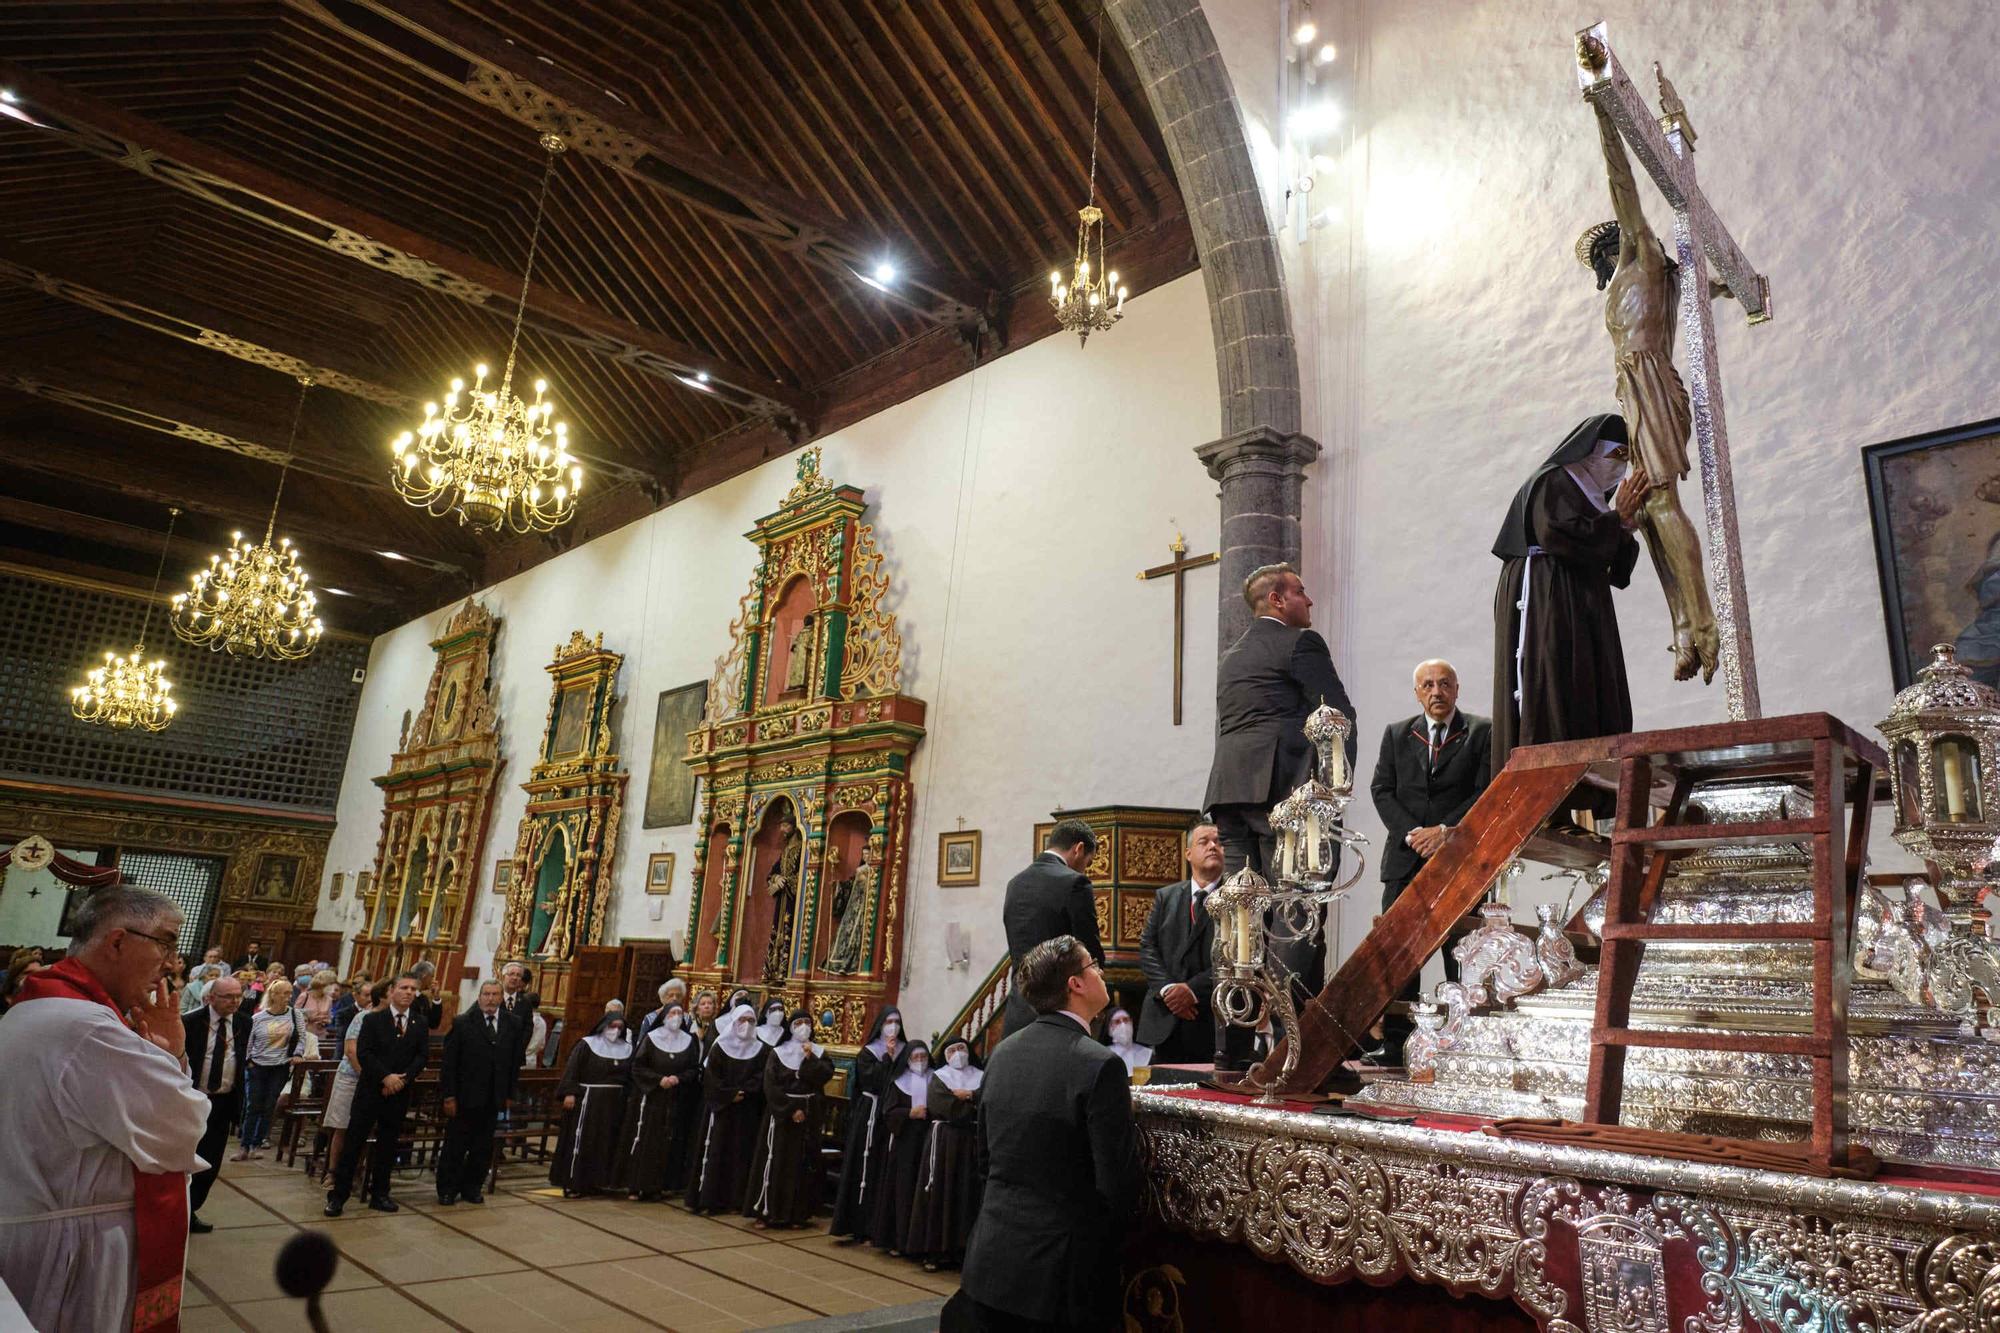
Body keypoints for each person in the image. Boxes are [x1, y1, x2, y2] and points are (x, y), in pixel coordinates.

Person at [0, 886, 209, 1331]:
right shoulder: (88, 1028)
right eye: (167, 942)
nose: (172, 962)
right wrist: (172, 1057)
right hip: (78, 1253)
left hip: (38, 1231)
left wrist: (165, 1054)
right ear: (117, 942)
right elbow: (179, 1134)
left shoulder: (36, 1009)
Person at [954, 934, 1140, 1333]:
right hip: (1060, 1277)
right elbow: (1116, 1184)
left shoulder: (1003, 1052)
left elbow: (984, 1159)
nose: (1100, 972)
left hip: (991, 1259)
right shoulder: (1099, 1065)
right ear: (1075, 984)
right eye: (1092, 965)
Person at [1490, 413, 1649, 795]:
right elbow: (1557, 535)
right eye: (1615, 455)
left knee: (1588, 687)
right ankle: (1545, 792)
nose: (1619, 468)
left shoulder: (1591, 496)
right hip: (1548, 598)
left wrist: (1621, 524)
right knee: (1553, 684)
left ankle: (1590, 790)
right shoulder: (1554, 481)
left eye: (1627, 459)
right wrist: (1617, 520)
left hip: (1579, 601)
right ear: (1590, 451)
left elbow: (1613, 567)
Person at [1370, 658, 1494, 1060]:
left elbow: (1486, 789)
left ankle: (1463, 1043)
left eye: (1444, 684)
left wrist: (1445, 831)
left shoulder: (1482, 731)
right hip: (1405, 860)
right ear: (1417, 693)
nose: (1436, 692)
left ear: (1457, 689)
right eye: (1427, 685)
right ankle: (1395, 1045)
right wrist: (1413, 834)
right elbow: (1382, 789)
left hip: (1459, 859)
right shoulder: (1396, 734)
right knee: (1399, 953)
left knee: (1461, 952)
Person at [1202, 562, 1358, 877]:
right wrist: (1335, 789)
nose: (1309, 600)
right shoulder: (1300, 641)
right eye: (1300, 592)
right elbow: (1338, 718)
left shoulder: (1230, 659)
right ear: (1278, 600)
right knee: (1295, 904)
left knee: (1242, 904)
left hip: (1229, 792)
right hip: (1283, 790)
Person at [325, 971, 429, 1216]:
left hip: (399, 1091)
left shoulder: (419, 1022)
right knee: (354, 1142)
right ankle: (338, 1195)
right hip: (371, 1089)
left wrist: (403, 1079)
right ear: (391, 991)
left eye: (413, 989)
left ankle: (380, 1193)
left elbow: (421, 1056)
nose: (408, 993)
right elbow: (364, 1053)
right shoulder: (373, 1020)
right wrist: (385, 1077)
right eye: (403, 988)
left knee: (388, 1144)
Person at [1000, 819, 1104, 1037]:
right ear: (1079, 849)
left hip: (1020, 1006)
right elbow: (1088, 946)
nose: (1086, 868)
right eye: (1088, 861)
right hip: (1061, 1008)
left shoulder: (1015, 883)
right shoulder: (1075, 883)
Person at [1135, 820, 1226, 1066]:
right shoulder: (1167, 896)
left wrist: (1192, 990)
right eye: (1204, 841)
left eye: (1219, 842)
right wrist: (1168, 991)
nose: (1213, 847)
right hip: (1167, 1018)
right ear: (1188, 853)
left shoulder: (1235, 898)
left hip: (1212, 1018)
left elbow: (1238, 957)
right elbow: (1148, 947)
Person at [745, 1010, 833, 1228]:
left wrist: (810, 1057)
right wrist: (791, 1109)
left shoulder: (819, 1053)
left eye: (807, 1023)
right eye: (799, 1022)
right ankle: (766, 1212)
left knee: (801, 1165)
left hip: (808, 1115)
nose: (804, 1026)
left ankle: (796, 1214)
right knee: (776, 1162)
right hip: (781, 1115)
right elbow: (770, 1085)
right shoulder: (778, 1052)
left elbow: (823, 1076)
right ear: (791, 1027)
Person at [905, 1035, 983, 1272]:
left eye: (962, 1048)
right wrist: (972, 1107)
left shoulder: (982, 1076)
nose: (958, 1053)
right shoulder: (939, 1078)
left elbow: (989, 1100)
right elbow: (947, 1108)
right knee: (941, 1192)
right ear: (945, 1056)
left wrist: (969, 1096)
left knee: (966, 1194)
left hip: (972, 1143)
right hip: (945, 1142)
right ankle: (934, 1251)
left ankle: (961, 1251)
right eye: (952, 1050)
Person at [437, 981, 517, 1206]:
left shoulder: (512, 1024)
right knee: (456, 1145)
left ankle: (472, 1187)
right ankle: (447, 1189)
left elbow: (512, 1063)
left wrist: (509, 1093)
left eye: (495, 994)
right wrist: (449, 1096)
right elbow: (449, 1064)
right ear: (479, 997)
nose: (491, 999)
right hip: (464, 1096)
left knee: (482, 1147)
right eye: (487, 994)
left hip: (493, 1097)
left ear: (502, 997)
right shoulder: (463, 1022)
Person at [830, 1005, 904, 1242]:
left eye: (897, 1022)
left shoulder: (905, 1051)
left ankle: (876, 1224)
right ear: (880, 1025)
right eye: (888, 1022)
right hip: (868, 1114)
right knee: (861, 1166)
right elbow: (872, 1081)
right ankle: (855, 1221)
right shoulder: (869, 1052)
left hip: (888, 1116)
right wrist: (886, 1058)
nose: (893, 1027)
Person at [685, 1004, 768, 1215]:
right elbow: (711, 1077)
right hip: (721, 1108)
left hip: (746, 1110)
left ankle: (735, 1200)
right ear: (734, 1022)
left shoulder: (761, 1049)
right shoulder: (720, 1047)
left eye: (751, 1021)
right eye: (742, 1020)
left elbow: (761, 1077)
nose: (746, 1025)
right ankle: (709, 1199)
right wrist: (730, 1094)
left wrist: (745, 1092)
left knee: (741, 1154)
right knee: (717, 1151)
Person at [184, 974, 250, 1233]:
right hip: (193, 1099)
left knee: (210, 1161)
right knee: (187, 1157)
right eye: (228, 997)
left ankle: (192, 1210)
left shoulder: (245, 1023)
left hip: (223, 1102)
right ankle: (180, 1209)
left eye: (238, 996)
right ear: (211, 997)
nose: (235, 1001)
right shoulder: (191, 1022)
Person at [619, 1000, 703, 1199]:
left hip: (676, 1098)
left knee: (669, 1143)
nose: (676, 1017)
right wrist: (658, 1080)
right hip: (651, 1098)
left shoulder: (688, 1040)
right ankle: (637, 1185)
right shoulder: (651, 1037)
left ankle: (659, 1186)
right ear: (664, 1017)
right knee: (647, 1140)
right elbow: (638, 1067)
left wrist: (678, 1078)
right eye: (672, 1013)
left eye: (679, 1014)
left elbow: (693, 1068)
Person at [553, 1011, 633, 1197]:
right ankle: (574, 1182)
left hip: (614, 1105)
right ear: (603, 1025)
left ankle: (599, 1181)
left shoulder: (627, 1048)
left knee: (605, 1142)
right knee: (583, 1141)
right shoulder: (587, 1044)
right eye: (612, 1026)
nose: (615, 1030)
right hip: (588, 1101)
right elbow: (573, 1070)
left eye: (619, 1027)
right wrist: (570, 1093)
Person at [869, 1040, 934, 1256]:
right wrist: (909, 1114)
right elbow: (888, 1112)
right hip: (905, 1142)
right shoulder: (899, 1081)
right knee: (902, 1190)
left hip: (928, 1141)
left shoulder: (936, 1079)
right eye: (915, 1058)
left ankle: (919, 1242)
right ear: (907, 1060)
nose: (920, 1061)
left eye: (923, 1057)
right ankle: (898, 1240)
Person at [236, 978, 305, 1160]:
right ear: (273, 995)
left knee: (269, 1105)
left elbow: (302, 1037)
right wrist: (248, 1061)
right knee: (253, 1105)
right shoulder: (258, 1018)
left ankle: (257, 1143)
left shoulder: (295, 1015)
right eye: (284, 993)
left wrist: (297, 1054)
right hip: (257, 1065)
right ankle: (245, 1145)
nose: (288, 997)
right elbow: (248, 1042)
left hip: (280, 1066)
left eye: (290, 993)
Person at [321, 981, 381, 1186]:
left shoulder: (387, 1020)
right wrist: (364, 1075)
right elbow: (351, 1050)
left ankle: (356, 1169)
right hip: (351, 1077)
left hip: (372, 1080)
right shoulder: (362, 1017)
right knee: (342, 1126)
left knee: (364, 1128)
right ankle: (333, 1171)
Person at [636, 976, 689, 1041]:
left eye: (678, 996)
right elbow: (641, 1044)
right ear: (663, 997)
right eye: (671, 995)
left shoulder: (687, 1019)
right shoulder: (650, 1018)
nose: (675, 998)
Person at [1103, 1008, 1152, 1077]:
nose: (1123, 1025)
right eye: (1117, 1022)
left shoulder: (1147, 1053)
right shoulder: (1103, 1056)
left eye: (1126, 1020)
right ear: (1109, 1028)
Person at [299, 967, 339, 1041]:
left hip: (320, 1036)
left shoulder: (329, 999)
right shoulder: (305, 996)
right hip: (303, 1035)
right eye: (330, 984)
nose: (332, 988)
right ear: (323, 984)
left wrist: (325, 1021)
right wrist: (309, 1019)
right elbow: (295, 1015)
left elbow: (329, 1017)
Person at [410, 958, 445, 1029]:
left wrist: (436, 998)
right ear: (424, 976)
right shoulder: (407, 996)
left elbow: (433, 1024)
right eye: (432, 976)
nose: (433, 981)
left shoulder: (423, 999)